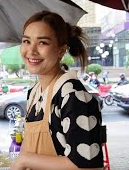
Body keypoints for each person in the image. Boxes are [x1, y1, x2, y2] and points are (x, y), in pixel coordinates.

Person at [10, 11, 103, 170]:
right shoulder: (34, 92)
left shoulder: (72, 95)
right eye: (26, 41)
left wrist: (25, 159)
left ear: (61, 50)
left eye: (42, 43)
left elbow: (87, 165)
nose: (31, 51)